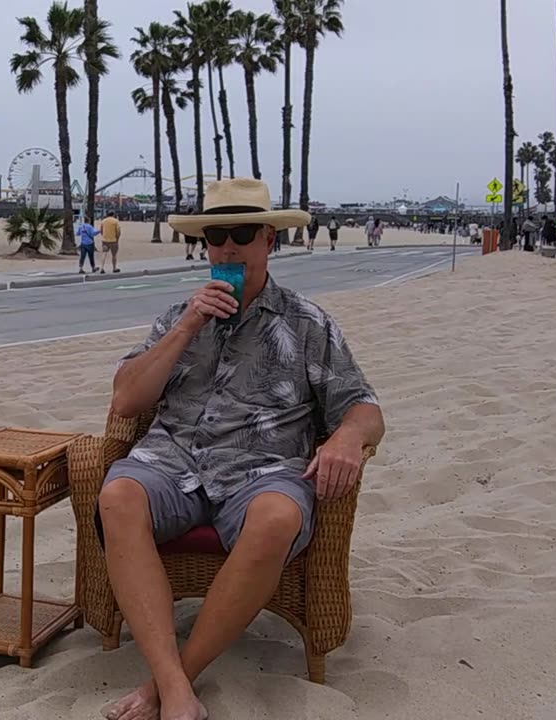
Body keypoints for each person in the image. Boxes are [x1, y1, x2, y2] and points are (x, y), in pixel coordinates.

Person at [99, 178, 384, 720]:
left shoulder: (306, 323)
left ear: (268, 241)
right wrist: (187, 326)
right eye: (216, 234)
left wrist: (347, 436)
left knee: (277, 517)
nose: (228, 247)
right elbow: (125, 400)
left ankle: (167, 686)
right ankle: (175, 688)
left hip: (262, 469)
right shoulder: (178, 317)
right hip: (173, 460)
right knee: (117, 494)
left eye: (243, 233)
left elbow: (364, 407)